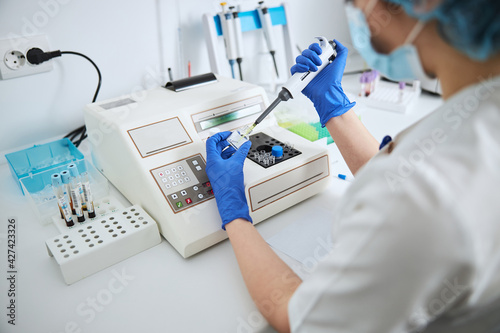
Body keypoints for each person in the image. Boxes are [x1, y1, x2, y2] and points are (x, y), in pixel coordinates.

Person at [206, 0, 500, 331]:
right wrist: (331, 102)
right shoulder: (479, 107)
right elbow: (403, 179)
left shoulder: (426, 195)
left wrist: (234, 213)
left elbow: (298, 317)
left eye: (356, 1)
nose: (357, 13)